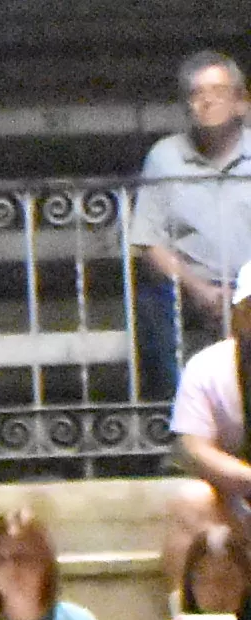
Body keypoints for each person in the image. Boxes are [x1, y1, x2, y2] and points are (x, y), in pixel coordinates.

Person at [139, 50, 251, 406]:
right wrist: (200, 290)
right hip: (190, 294)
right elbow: (149, 242)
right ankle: (186, 422)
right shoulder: (165, 156)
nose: (206, 100)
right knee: (152, 306)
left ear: (241, 104)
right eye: (196, 93)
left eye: (218, 90)